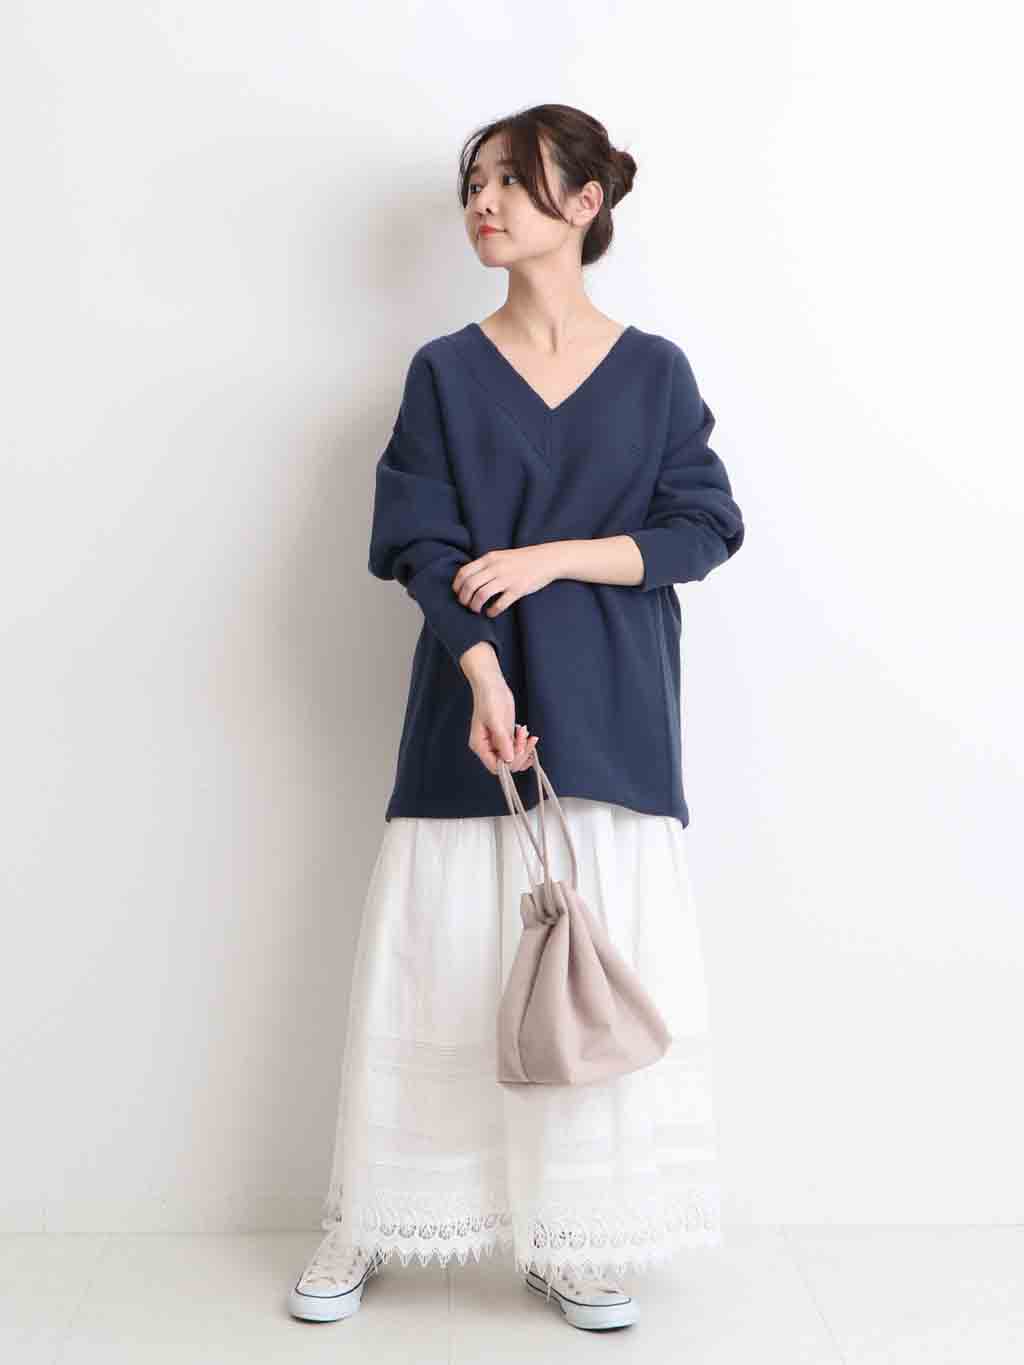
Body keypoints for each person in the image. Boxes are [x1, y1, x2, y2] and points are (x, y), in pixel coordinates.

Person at [287, 102, 745, 1333]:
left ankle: (573, 1233)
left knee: (586, 988)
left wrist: (551, 557)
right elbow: (420, 541)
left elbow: (702, 526)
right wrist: (485, 676)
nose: (481, 203)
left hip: (612, 714)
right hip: (470, 709)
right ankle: (372, 1216)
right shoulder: (445, 370)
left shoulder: (654, 372)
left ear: (584, 204)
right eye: (473, 183)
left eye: (509, 181)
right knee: (438, 966)